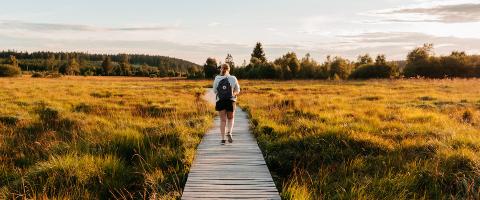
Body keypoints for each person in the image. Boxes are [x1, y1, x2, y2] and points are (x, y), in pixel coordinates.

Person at [212, 63, 240, 144]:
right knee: (230, 118)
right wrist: (232, 94)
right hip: (231, 101)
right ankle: (229, 132)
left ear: (221, 69)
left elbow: (214, 91)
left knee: (223, 120)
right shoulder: (233, 78)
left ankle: (223, 139)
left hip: (220, 101)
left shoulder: (217, 78)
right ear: (229, 69)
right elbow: (237, 90)